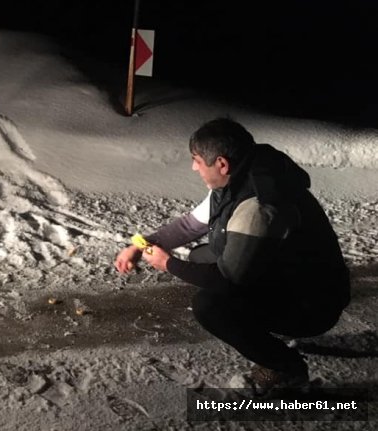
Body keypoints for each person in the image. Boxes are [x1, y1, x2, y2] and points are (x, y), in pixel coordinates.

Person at [114, 117, 350, 396]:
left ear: (222, 164)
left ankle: (285, 367)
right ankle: (272, 325)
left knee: (211, 306)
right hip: (290, 279)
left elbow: (227, 279)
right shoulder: (239, 176)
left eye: (197, 160)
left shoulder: (258, 204)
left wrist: (167, 263)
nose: (193, 167)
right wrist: (144, 244)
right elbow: (191, 225)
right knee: (204, 255)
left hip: (313, 304)